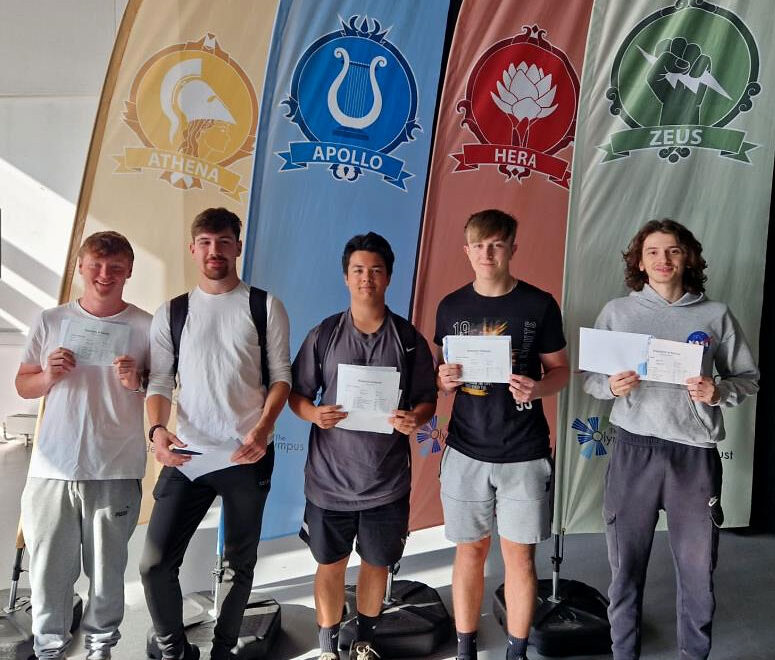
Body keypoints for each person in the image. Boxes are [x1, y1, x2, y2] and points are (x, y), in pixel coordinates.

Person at [583, 219, 759, 660]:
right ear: (639, 264)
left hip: (694, 456)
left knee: (698, 571)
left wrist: (719, 391)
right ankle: (624, 653)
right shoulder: (618, 313)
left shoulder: (714, 315)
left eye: (674, 251)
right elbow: (590, 379)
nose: (664, 260)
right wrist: (612, 387)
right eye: (654, 252)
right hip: (633, 450)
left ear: (689, 259)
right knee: (625, 568)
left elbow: (748, 379)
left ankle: (692, 655)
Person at [140, 207, 291, 660]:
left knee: (237, 564)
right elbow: (160, 381)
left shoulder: (264, 305)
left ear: (238, 247)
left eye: (224, 242)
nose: (214, 251)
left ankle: (223, 651)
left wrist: (262, 431)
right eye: (205, 242)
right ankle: (175, 652)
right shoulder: (173, 312)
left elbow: (281, 377)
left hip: (246, 454)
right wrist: (157, 430)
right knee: (153, 564)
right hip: (188, 456)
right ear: (192, 248)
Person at [289, 232, 437, 660]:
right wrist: (314, 414)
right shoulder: (325, 334)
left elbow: (427, 398)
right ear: (345, 276)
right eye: (358, 270)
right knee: (330, 564)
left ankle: (365, 639)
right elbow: (297, 394)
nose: (366, 279)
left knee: (376, 564)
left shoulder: (408, 339)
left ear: (389, 276)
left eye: (375, 271)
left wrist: (416, 418)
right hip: (329, 481)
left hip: (385, 481)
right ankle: (327, 648)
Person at [435, 209, 569, 660]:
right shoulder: (451, 306)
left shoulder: (539, 304)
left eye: (496, 245)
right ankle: (466, 648)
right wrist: (444, 380)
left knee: (520, 558)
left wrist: (539, 386)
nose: (487, 254)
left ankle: (517, 650)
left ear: (513, 248)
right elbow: (442, 374)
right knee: (469, 552)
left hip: (524, 451)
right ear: (467, 251)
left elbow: (561, 371)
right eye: (479, 245)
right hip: (466, 449)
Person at [15, 231, 151, 660]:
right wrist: (49, 375)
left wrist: (138, 382)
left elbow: (163, 389)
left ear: (129, 271)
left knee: (108, 577)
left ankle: (99, 651)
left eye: (115, 267)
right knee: (48, 574)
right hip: (52, 468)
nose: (104, 275)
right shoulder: (51, 321)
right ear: (80, 268)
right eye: (95, 265)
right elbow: (23, 385)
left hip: (115, 467)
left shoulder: (147, 326)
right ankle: (49, 650)